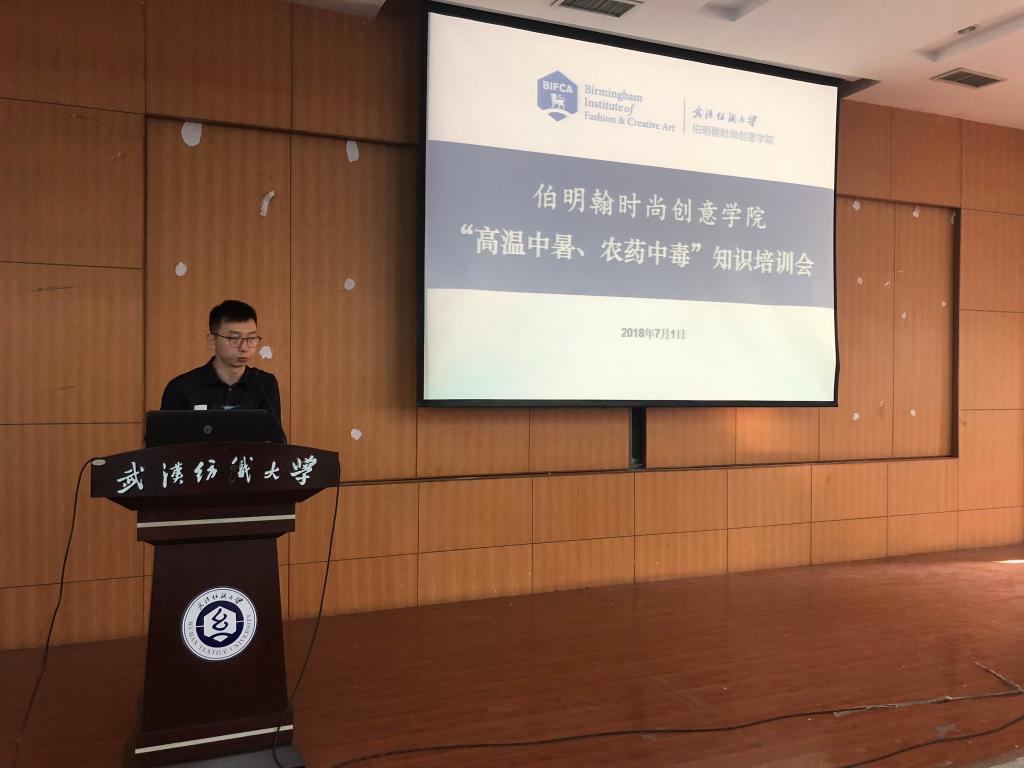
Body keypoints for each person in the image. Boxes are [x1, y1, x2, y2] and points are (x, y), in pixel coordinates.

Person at [160, 299, 285, 441]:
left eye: (251, 338)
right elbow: (163, 447)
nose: (244, 348)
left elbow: (276, 442)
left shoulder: (264, 384)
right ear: (213, 341)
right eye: (234, 338)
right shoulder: (181, 388)